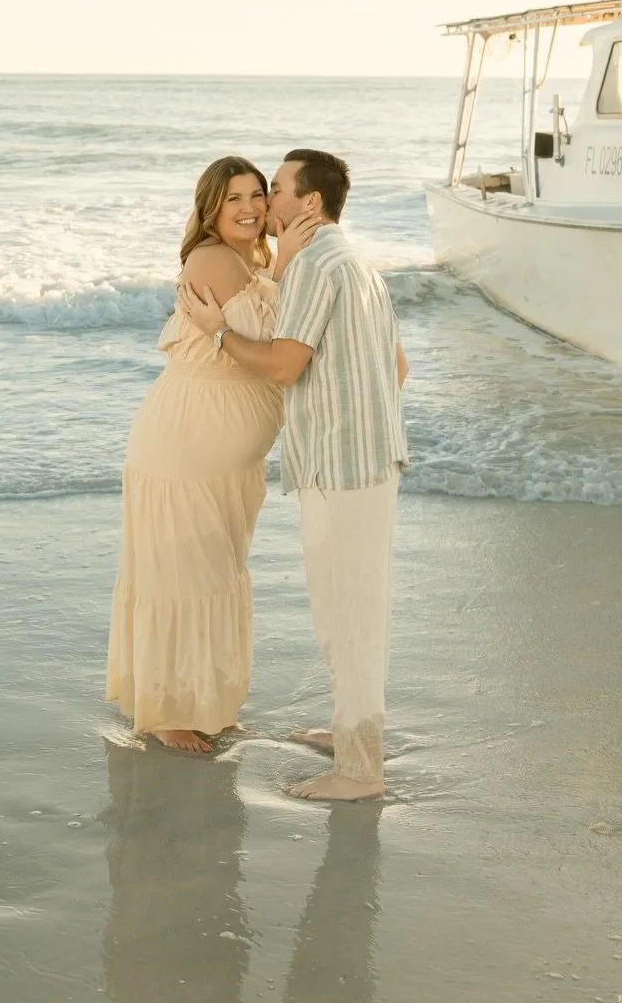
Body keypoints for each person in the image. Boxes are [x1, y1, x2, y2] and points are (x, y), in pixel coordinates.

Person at [184, 149, 409, 801]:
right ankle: (350, 732)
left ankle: (360, 771)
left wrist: (217, 332)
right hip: (369, 461)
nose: (266, 201)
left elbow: (285, 365)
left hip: (341, 468)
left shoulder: (311, 265)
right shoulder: (357, 262)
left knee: (347, 615)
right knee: (353, 608)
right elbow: (398, 369)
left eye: (277, 188)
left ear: (310, 202)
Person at [105, 155, 313, 753]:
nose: (249, 208)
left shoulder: (256, 261)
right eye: (233, 199)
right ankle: (166, 710)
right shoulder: (213, 259)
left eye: (257, 195)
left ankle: (208, 702)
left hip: (226, 455)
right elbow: (274, 341)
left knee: (216, 571)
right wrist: (290, 263)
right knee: (182, 571)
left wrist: (281, 261)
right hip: (187, 441)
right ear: (211, 209)